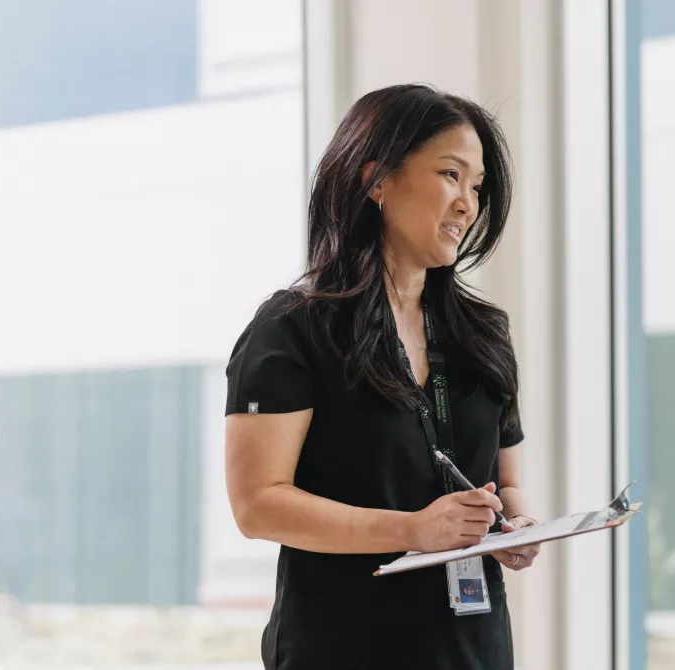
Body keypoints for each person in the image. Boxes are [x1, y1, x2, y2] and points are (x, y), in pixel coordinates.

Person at [224, 84, 541, 669]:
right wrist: (413, 529)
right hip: (342, 648)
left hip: (472, 650)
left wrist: (516, 525)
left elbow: (506, 481)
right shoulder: (295, 327)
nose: (468, 204)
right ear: (377, 180)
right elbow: (257, 506)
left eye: (476, 186)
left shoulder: (484, 333)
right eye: (451, 174)